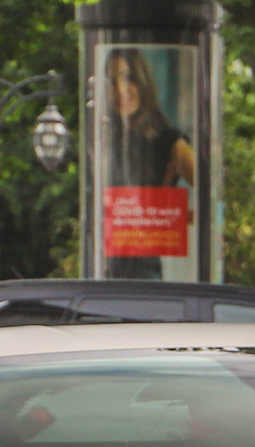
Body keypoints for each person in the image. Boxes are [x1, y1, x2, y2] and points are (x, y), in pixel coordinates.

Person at [101, 49, 196, 280]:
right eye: (112, 81)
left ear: (142, 81)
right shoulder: (105, 139)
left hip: (144, 276)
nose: (119, 89)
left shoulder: (169, 142)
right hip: (103, 272)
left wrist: (169, 219)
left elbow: (211, 197)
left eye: (128, 77)